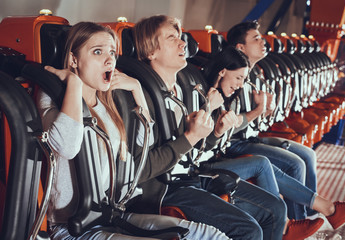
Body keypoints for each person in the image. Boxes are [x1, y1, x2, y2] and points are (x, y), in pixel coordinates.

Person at [37, 21, 231, 240]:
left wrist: (137, 92)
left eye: (112, 52)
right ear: (74, 59)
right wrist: (73, 83)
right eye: (98, 52)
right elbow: (67, 146)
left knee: (212, 236)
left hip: (112, 215)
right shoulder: (51, 97)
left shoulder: (107, 102)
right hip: (72, 228)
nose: (109, 59)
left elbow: (134, 161)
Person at [132, 14, 291, 240]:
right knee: (250, 229)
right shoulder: (142, 98)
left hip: (193, 176)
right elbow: (141, 169)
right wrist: (190, 137)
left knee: (276, 209)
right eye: (171, 38)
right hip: (167, 190)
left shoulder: (183, 89)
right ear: (150, 51)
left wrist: (215, 132)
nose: (182, 43)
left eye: (180, 37)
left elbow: (197, 148)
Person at [202, 45, 345, 238]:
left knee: (300, 158)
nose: (241, 84)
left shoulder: (235, 89)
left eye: (243, 79)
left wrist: (264, 110)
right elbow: (207, 142)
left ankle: (305, 219)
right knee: (271, 164)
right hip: (208, 165)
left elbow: (236, 122)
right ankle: (299, 221)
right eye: (238, 78)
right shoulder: (204, 93)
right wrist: (218, 116)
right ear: (223, 70)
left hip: (224, 148)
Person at [225, 20, 318, 220]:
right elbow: (229, 126)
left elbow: (255, 120)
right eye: (256, 39)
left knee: (308, 155)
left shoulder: (256, 74)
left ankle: (310, 217)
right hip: (234, 144)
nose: (263, 42)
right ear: (240, 47)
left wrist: (268, 110)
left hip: (252, 137)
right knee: (296, 165)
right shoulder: (230, 74)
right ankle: (296, 222)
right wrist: (259, 110)